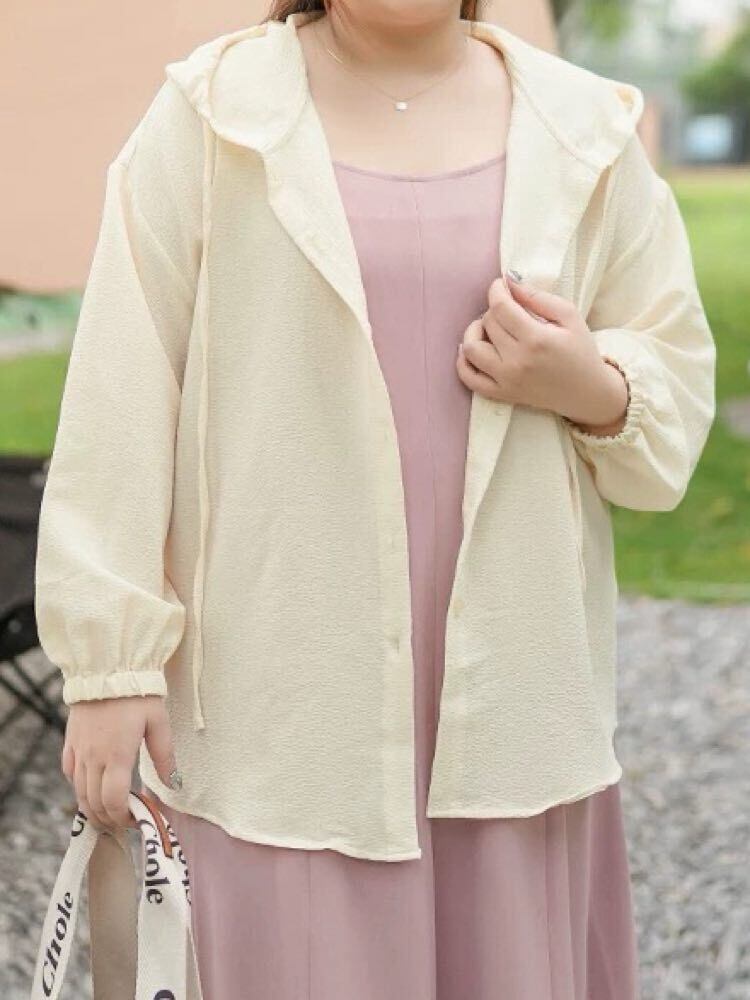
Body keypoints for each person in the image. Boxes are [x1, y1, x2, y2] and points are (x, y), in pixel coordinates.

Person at [34, 2, 716, 997]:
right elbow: (119, 395)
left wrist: (590, 382)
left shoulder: (584, 128)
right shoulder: (211, 115)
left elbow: (673, 396)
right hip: (282, 702)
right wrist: (109, 666)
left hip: (514, 703)